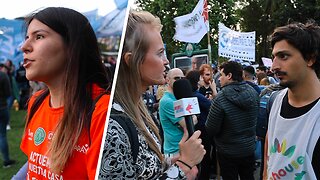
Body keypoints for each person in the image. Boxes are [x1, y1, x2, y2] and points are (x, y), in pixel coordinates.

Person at [99, 10, 205, 179]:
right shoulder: (112, 127)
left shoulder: (137, 109)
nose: (166, 61)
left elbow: (145, 166)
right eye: (159, 53)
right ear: (132, 61)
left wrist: (172, 161)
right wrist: (183, 167)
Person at [19, 7, 111, 179]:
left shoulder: (102, 112)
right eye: (27, 38)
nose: (24, 47)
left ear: (72, 46)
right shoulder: (36, 101)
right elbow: (32, 164)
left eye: (39, 36)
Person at [264, 21, 320, 179]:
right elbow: (269, 156)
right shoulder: (275, 100)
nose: (274, 66)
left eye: (283, 56)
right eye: (274, 57)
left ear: (310, 59)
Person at [206, 61, 259, 180]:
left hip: (228, 151)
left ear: (229, 76)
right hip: (248, 148)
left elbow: (211, 128)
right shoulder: (253, 93)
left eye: (221, 75)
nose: (219, 79)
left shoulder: (220, 98)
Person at [185, 70, 216, 180]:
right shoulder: (197, 96)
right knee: (205, 157)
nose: (203, 79)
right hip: (203, 129)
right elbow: (213, 107)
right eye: (201, 78)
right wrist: (214, 90)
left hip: (196, 129)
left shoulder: (191, 94)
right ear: (197, 81)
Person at [0, 63, 16, 168]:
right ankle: (6, 161)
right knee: (2, 135)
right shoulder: (2, 75)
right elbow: (8, 93)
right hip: (2, 107)